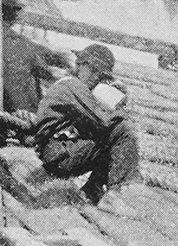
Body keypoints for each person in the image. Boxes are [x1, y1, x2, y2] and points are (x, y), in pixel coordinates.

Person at [33, 43, 141, 217]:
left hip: (58, 152)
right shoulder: (74, 87)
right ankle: (112, 196)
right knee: (122, 131)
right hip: (59, 156)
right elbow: (103, 121)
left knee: (109, 133)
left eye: (101, 74)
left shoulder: (71, 85)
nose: (96, 77)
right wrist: (122, 107)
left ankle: (92, 190)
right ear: (81, 65)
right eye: (93, 70)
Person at [0, 0, 72, 113]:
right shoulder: (20, 43)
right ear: (14, 13)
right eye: (17, 10)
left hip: (0, 110)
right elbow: (46, 70)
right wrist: (65, 62)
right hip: (23, 114)